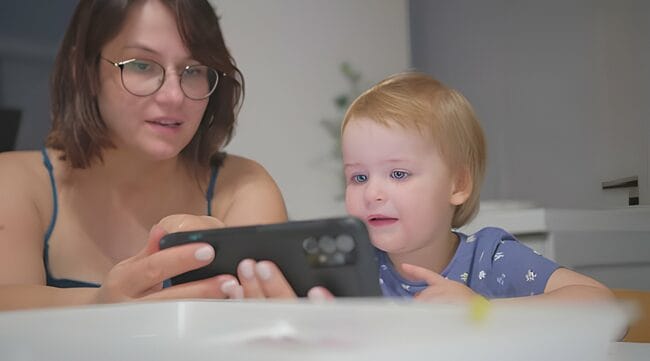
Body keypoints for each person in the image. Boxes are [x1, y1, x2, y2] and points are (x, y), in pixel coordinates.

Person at [0, 0, 287, 311]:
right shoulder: (16, 182)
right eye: (141, 65)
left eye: (194, 70)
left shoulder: (243, 187)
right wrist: (99, 303)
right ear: (84, 71)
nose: (173, 96)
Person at [234, 72, 614, 303]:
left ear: (458, 184)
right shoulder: (351, 266)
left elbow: (604, 306)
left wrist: (479, 311)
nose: (372, 193)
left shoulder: (490, 259)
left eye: (398, 174)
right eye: (359, 177)